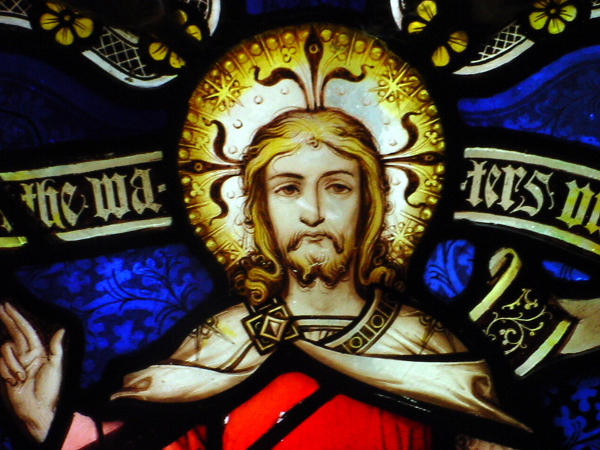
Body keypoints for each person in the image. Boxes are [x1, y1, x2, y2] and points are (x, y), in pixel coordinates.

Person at [0, 109, 527, 449]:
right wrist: (50, 422)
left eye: (338, 187)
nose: (314, 212)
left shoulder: (428, 346)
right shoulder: (223, 343)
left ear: (370, 205)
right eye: (289, 188)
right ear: (259, 210)